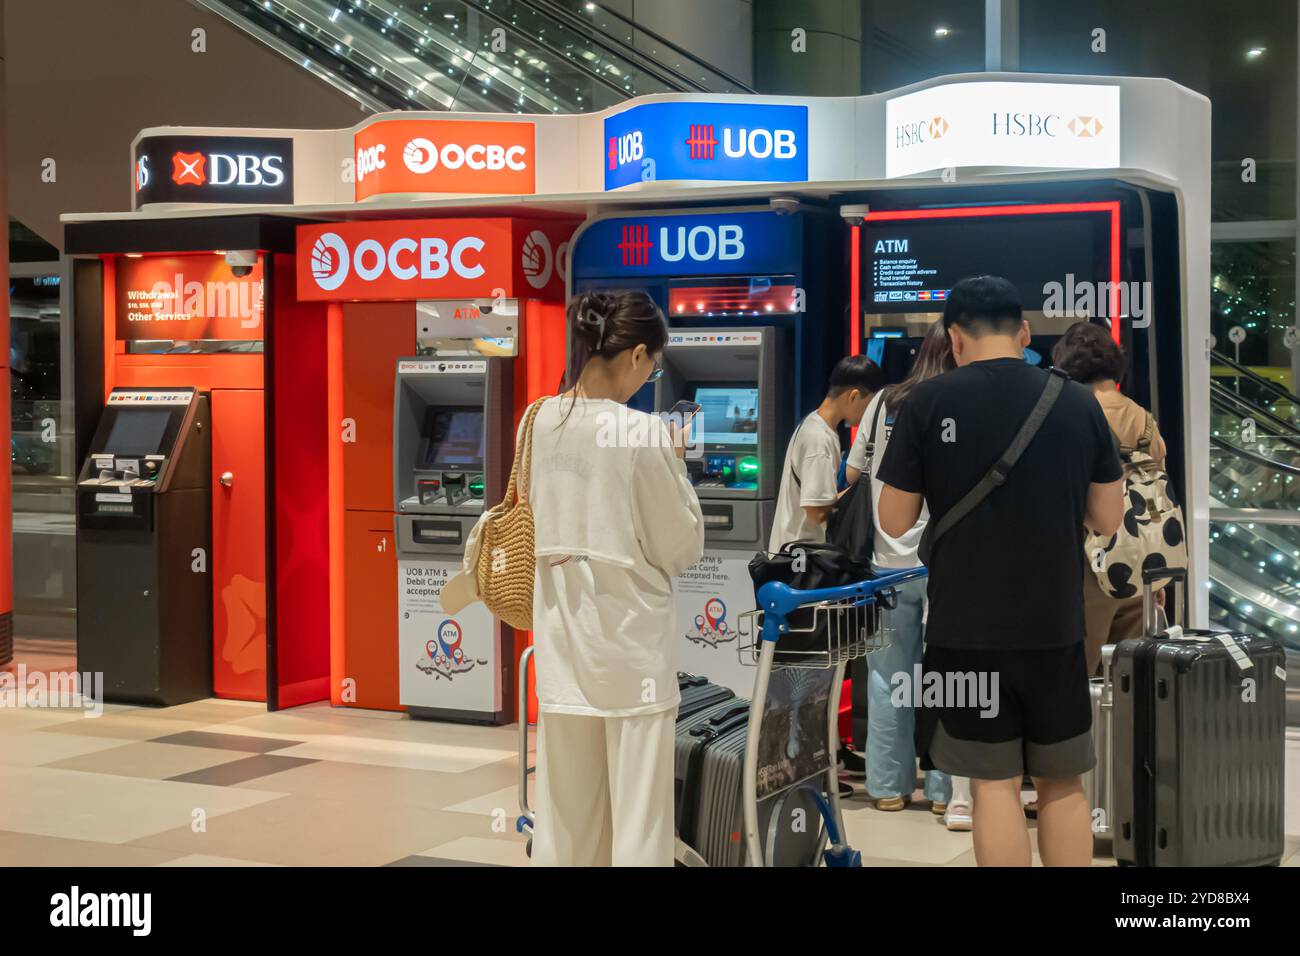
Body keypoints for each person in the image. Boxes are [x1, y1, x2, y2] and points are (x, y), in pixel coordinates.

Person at [875, 276, 1124, 867]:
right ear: (1026, 333)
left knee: (994, 786)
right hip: (1057, 626)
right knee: (1062, 784)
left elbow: (892, 519)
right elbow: (1108, 518)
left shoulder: (925, 404)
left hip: (966, 632)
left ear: (953, 339)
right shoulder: (1076, 401)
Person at [526, 290, 704, 867]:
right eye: (652, 365)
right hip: (630, 655)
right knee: (638, 819)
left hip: (562, 648)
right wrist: (675, 465)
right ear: (635, 355)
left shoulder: (539, 419)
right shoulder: (643, 432)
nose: (649, 378)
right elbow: (679, 547)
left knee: (565, 816)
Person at [845, 320, 961, 825]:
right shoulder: (958, 401)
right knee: (950, 679)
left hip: (886, 565)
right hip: (946, 565)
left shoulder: (880, 403)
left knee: (888, 678)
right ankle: (942, 788)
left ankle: (887, 786)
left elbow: (854, 471)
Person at [1052, 321, 1169, 676]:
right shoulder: (1142, 418)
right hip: (1139, 565)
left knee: (1078, 678)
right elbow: (1158, 496)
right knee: (1127, 681)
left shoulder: (1068, 413)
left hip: (1086, 564)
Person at [768, 355, 884, 553]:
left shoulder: (814, 423)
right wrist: (863, 490)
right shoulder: (819, 439)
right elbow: (817, 514)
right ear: (854, 396)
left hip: (795, 557)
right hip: (800, 564)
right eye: (870, 406)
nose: (870, 415)